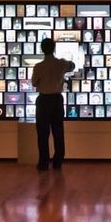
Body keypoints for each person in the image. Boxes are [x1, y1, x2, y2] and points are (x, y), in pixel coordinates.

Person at [30, 38, 75, 171]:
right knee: (58, 131)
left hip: (43, 100)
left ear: (41, 49)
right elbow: (72, 65)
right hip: (57, 99)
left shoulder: (39, 66)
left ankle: (43, 163)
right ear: (54, 48)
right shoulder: (61, 64)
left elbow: (33, 83)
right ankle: (57, 161)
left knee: (42, 133)